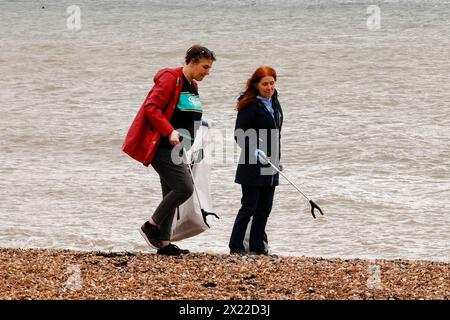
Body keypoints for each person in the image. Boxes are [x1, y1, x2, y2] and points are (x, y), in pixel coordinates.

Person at [123, 45, 216, 256]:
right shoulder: (170, 78)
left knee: (171, 191)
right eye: (205, 67)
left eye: (210, 68)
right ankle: (151, 225)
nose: (207, 72)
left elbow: (186, 112)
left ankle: (164, 244)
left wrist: (201, 125)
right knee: (184, 188)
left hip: (179, 149)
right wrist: (169, 131)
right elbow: (151, 107)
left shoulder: (192, 85)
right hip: (162, 146)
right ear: (192, 62)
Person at [229, 66, 283, 255]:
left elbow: (276, 134)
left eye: (272, 83)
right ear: (256, 85)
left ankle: (258, 247)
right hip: (252, 164)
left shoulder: (275, 102)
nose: (269, 87)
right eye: (265, 84)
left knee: (265, 208)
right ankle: (236, 247)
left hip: (272, 163)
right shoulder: (250, 105)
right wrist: (254, 151)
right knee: (249, 206)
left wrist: (278, 158)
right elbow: (239, 134)